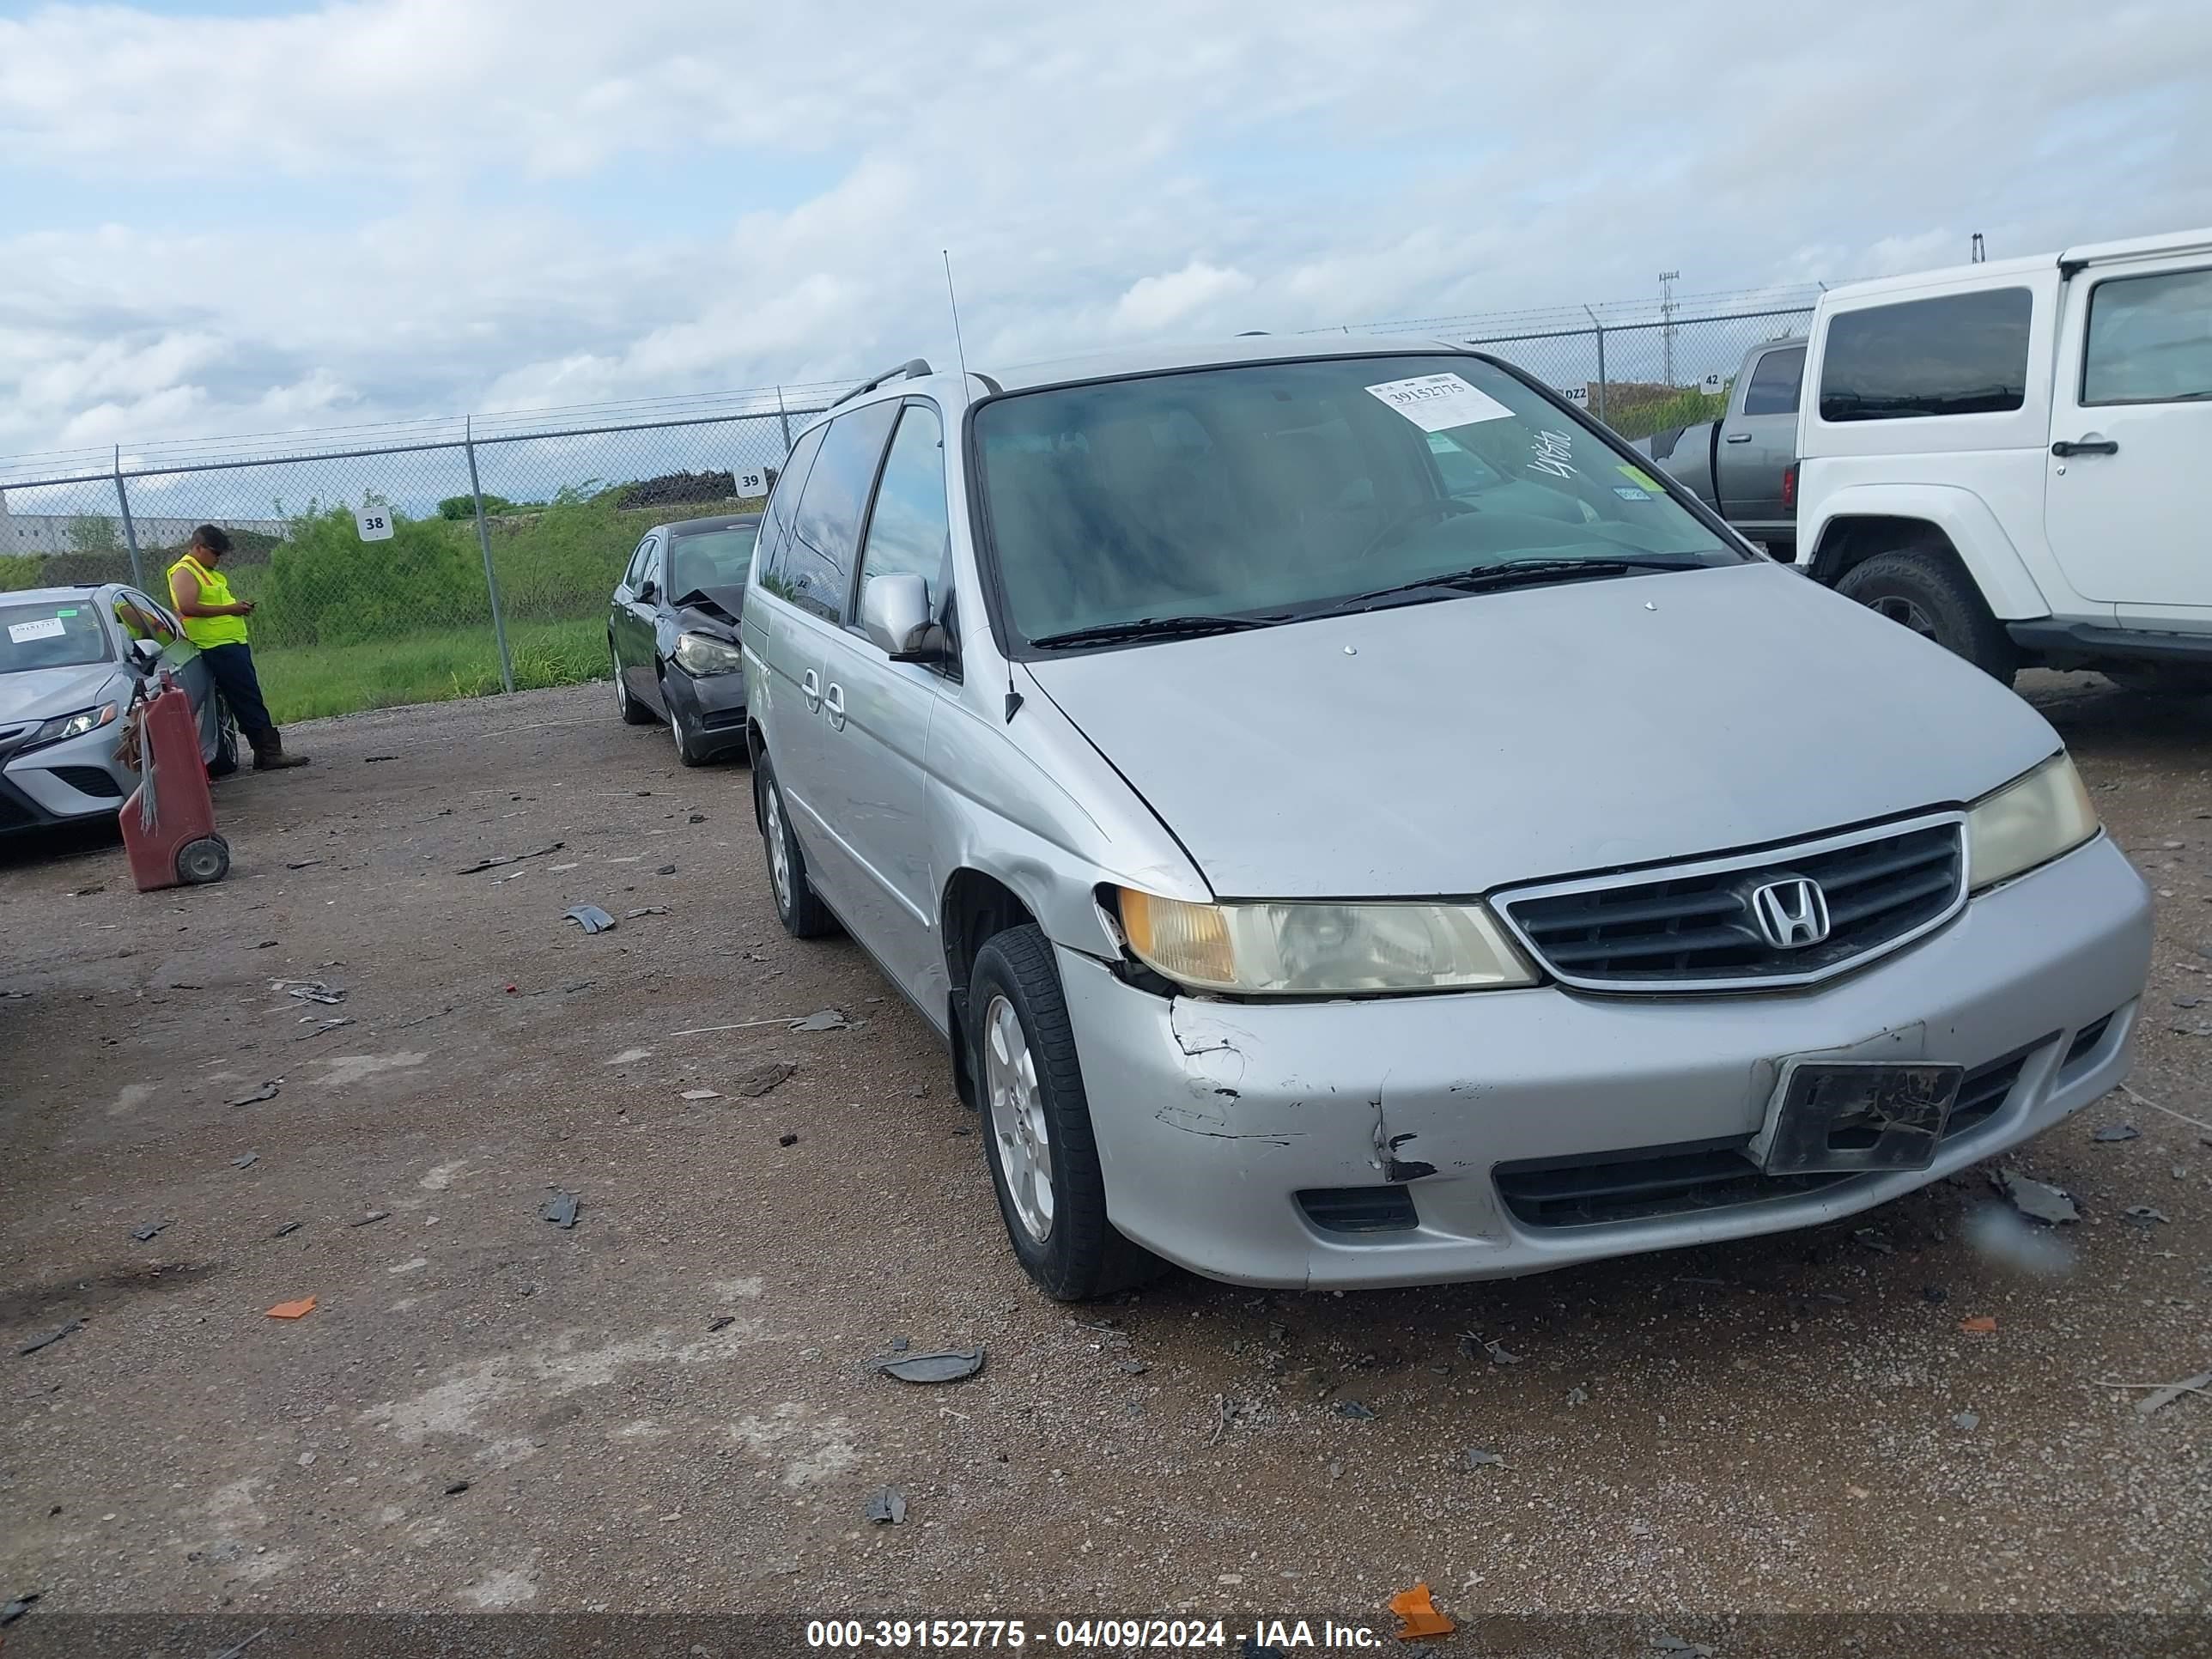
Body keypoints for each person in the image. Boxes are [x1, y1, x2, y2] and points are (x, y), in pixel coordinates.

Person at [167, 525, 309, 770]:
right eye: (215, 552)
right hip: (216, 646)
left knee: (248, 695)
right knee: (246, 697)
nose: (218, 558)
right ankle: (269, 752)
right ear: (198, 547)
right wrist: (230, 609)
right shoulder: (185, 570)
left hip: (228, 643)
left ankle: (265, 751)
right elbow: (188, 607)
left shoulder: (204, 570)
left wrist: (235, 608)